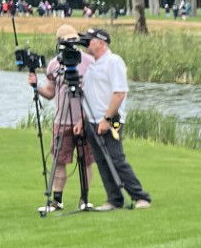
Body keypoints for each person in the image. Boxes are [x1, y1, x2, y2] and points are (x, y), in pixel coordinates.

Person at [80, 28, 153, 209]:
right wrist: (83, 120)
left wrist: (106, 118)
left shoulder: (113, 61)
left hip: (111, 119)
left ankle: (140, 196)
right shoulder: (93, 65)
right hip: (92, 120)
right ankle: (114, 199)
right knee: (102, 161)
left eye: (91, 39)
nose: (87, 42)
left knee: (116, 159)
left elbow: (119, 93)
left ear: (102, 43)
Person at [28, 30, 93, 213]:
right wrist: (36, 86)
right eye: (68, 40)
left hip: (83, 118)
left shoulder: (88, 61)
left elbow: (95, 94)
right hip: (61, 120)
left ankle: (84, 198)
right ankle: (57, 200)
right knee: (59, 161)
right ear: (59, 41)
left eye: (74, 39)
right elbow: (50, 93)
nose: (72, 43)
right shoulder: (54, 64)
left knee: (85, 160)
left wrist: (84, 119)